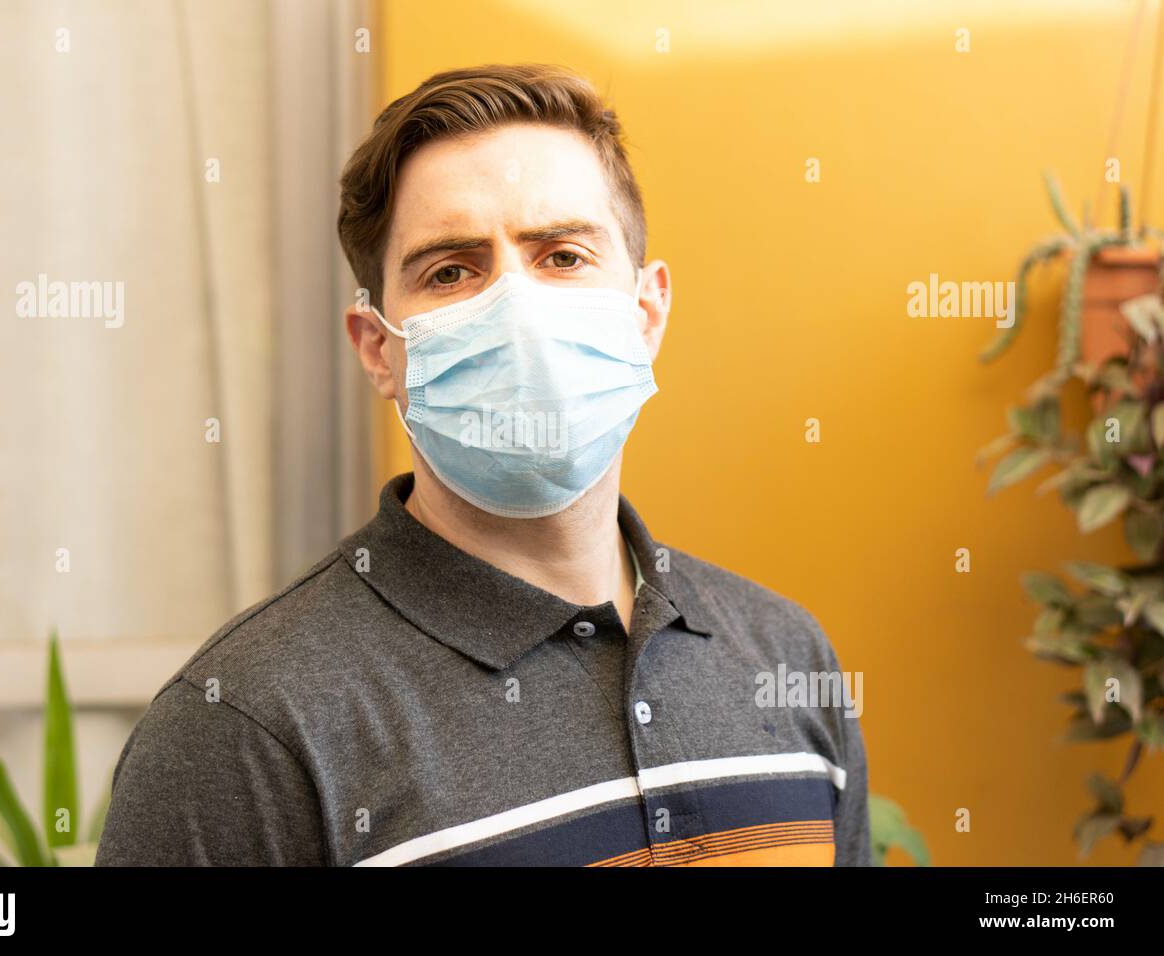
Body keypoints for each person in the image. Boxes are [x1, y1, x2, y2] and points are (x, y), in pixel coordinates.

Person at [96, 63, 870, 867]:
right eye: (451, 271)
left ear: (645, 313)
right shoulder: (247, 726)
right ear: (378, 351)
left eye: (563, 255)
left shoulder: (786, 654)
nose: (517, 308)